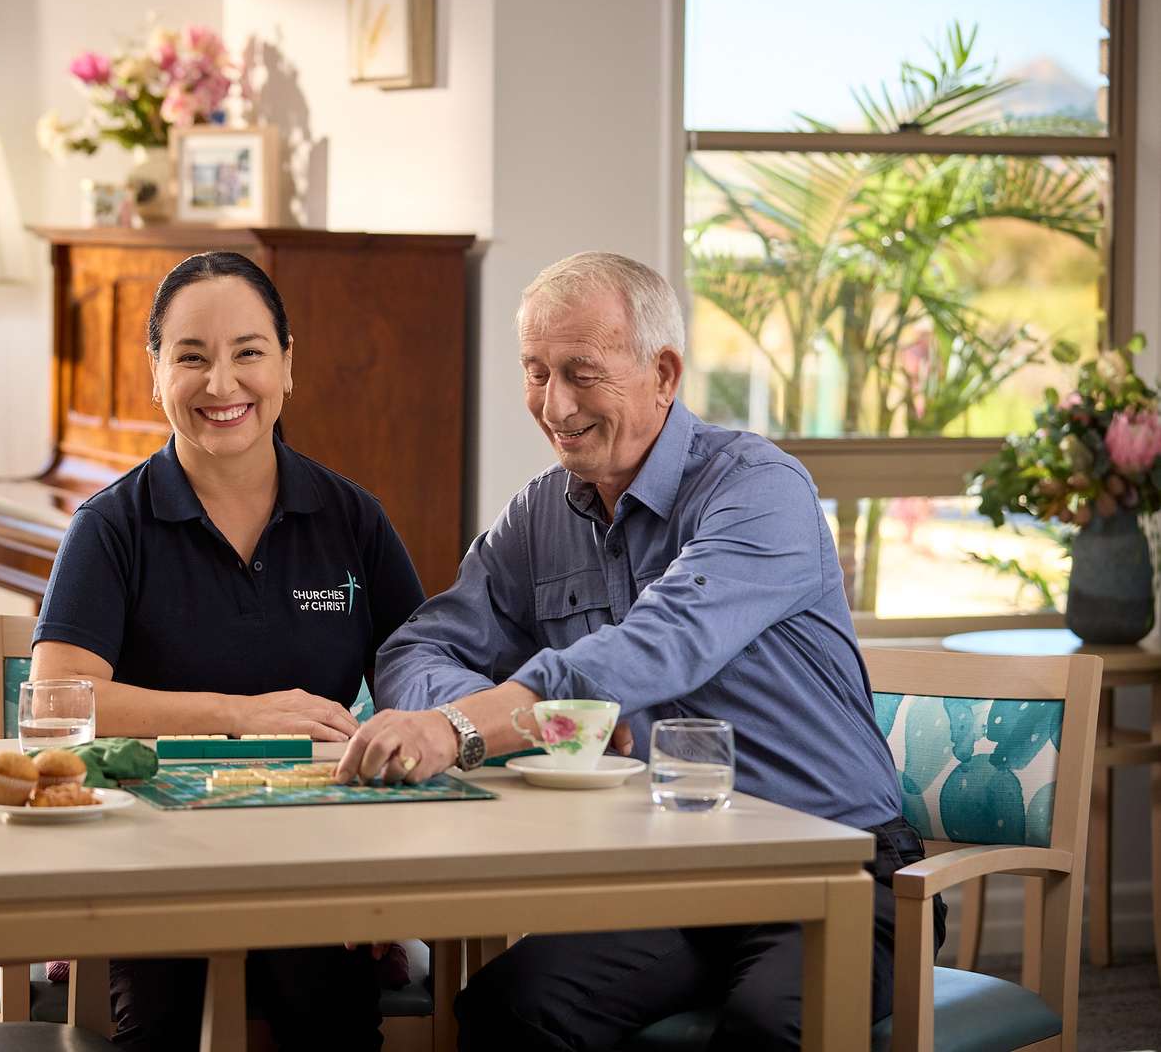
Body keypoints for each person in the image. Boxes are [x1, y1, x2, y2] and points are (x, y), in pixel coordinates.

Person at [334, 251, 944, 1051]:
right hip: (671, 879)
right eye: (535, 372)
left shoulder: (758, 488)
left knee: (767, 1027)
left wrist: (466, 728)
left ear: (662, 373)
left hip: (837, 871)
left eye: (581, 373)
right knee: (509, 1009)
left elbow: (653, 648)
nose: (554, 405)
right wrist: (497, 713)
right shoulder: (538, 516)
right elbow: (419, 646)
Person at [34, 250, 424, 1051]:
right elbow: (56, 698)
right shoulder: (111, 526)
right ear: (154, 374)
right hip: (149, 858)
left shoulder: (353, 519)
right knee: (158, 1025)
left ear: (286, 364)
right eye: (191, 357)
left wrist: (383, 862)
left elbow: (419, 675)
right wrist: (241, 717)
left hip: (311, 849)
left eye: (248, 352)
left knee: (329, 1016)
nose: (222, 385)